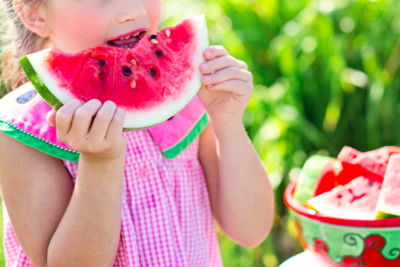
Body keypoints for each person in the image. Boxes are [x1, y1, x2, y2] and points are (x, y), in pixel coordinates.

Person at [0, 0, 274, 266]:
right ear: (35, 15)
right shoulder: (23, 131)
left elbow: (251, 230)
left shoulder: (189, 93)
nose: (134, 11)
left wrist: (228, 123)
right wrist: (99, 165)